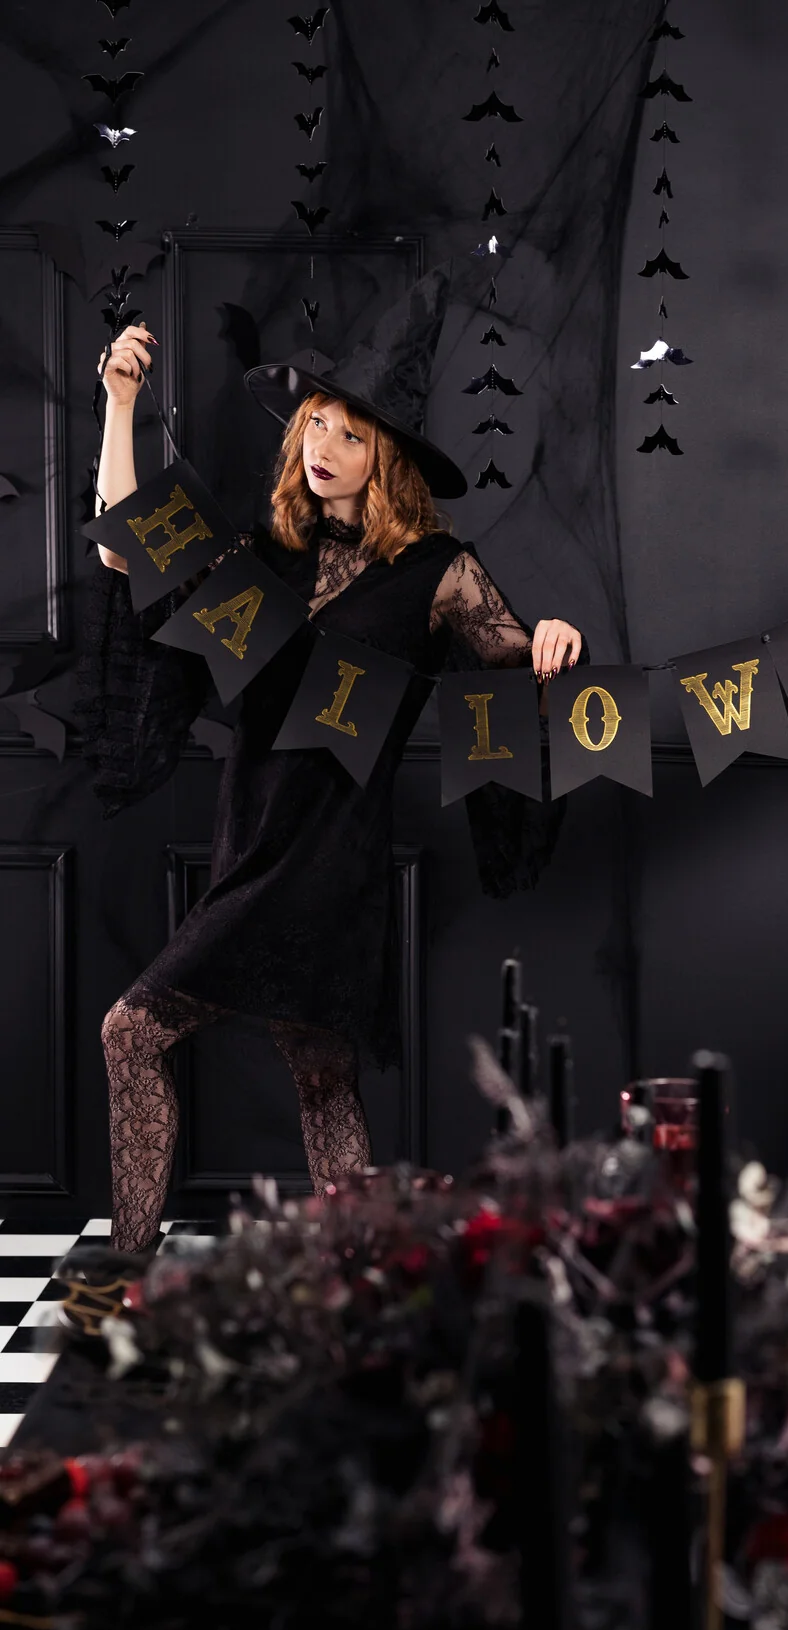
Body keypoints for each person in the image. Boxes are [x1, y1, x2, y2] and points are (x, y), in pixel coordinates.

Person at [80, 284, 583, 1268]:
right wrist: (120, 405)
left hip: (331, 858)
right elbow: (125, 544)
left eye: (352, 435)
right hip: (251, 837)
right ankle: (356, 1271)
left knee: (140, 1034)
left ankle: (137, 1258)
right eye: (316, 422)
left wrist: (557, 636)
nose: (325, 445)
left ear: (385, 458)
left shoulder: (438, 569)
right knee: (318, 1071)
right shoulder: (267, 551)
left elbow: (519, 662)